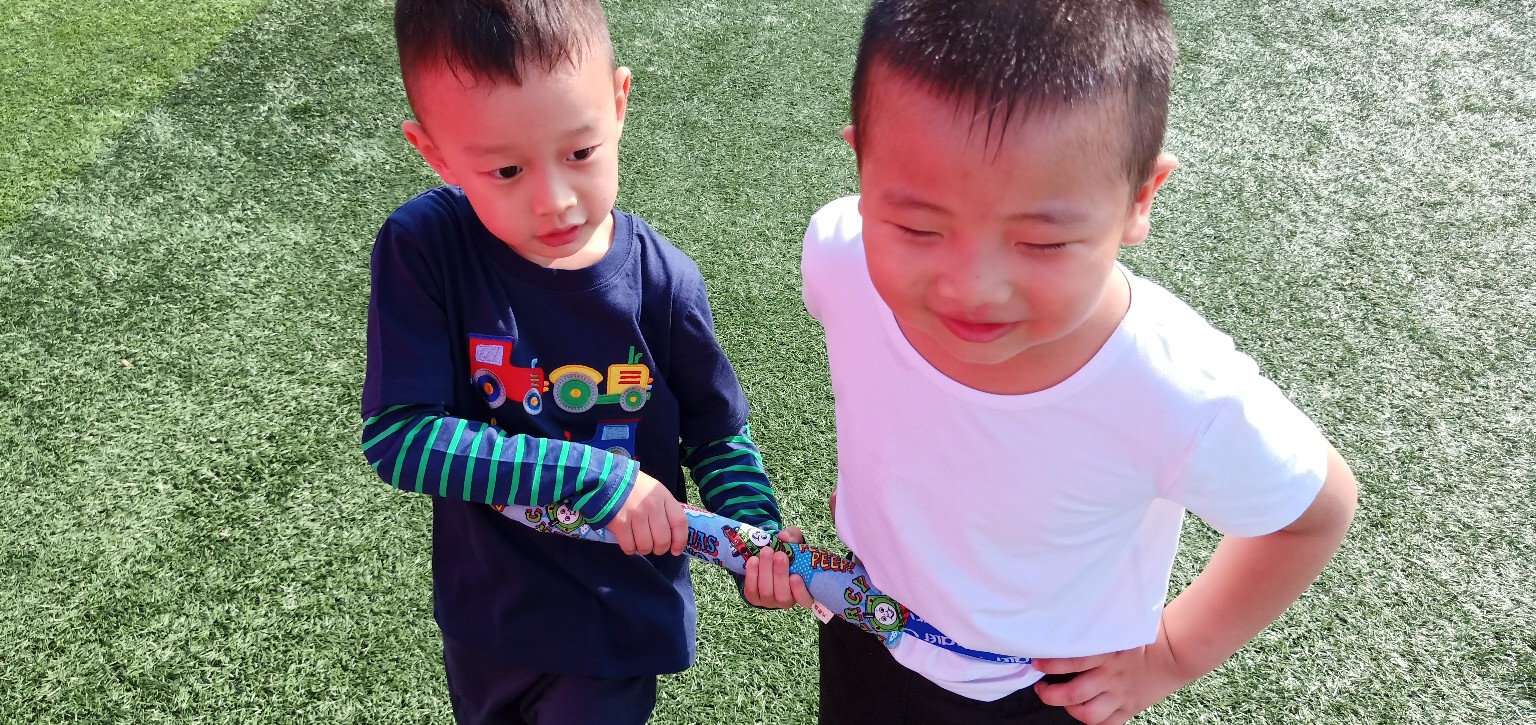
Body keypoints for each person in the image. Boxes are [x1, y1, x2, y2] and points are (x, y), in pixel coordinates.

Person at [798, 1, 1360, 723]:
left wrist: (1170, 654)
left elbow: (1316, 511)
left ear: (1139, 198)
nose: (972, 286)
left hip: (1039, 693)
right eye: (916, 226)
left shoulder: (1173, 388)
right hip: (867, 626)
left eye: (1042, 242)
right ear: (863, 169)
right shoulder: (839, 257)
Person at [359, 1, 803, 722]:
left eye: (580, 153)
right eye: (506, 169)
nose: (555, 202)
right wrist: (596, 478)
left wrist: (752, 539)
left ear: (619, 102)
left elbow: (718, 437)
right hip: (487, 620)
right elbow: (401, 437)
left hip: (615, 625)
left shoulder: (664, 282)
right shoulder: (425, 247)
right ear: (434, 152)